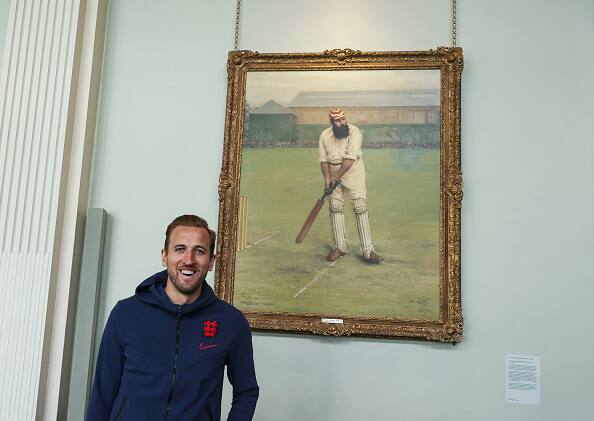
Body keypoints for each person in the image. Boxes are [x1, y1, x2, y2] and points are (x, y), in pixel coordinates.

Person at [87, 215, 259, 421]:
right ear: (164, 256)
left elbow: (246, 391)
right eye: (180, 249)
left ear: (211, 261)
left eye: (200, 251)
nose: (188, 260)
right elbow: (103, 392)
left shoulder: (231, 322)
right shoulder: (125, 314)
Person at [319, 108, 383, 264]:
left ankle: (368, 251)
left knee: (359, 207)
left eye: (343, 119)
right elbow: (323, 160)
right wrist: (328, 179)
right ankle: (340, 247)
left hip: (352, 171)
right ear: (331, 122)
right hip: (333, 171)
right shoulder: (325, 135)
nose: (342, 123)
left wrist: (337, 178)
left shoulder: (354, 132)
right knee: (334, 207)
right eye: (338, 120)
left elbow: (349, 159)